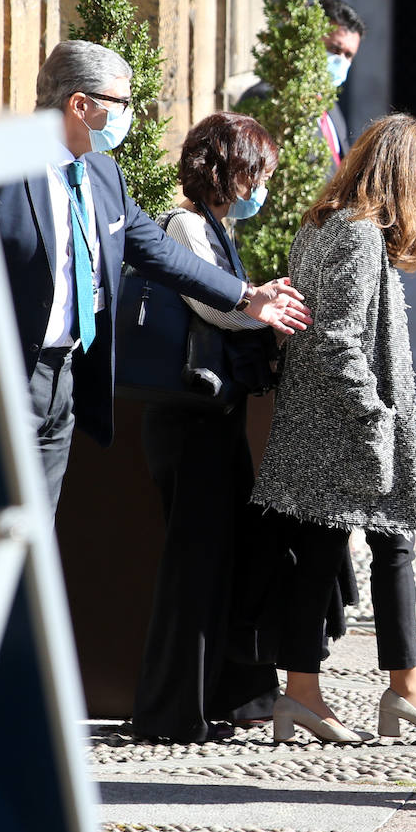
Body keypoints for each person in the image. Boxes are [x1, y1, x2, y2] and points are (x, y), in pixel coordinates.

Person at [0, 40, 310, 515]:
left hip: (65, 376)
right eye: (122, 103)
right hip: (5, 375)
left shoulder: (102, 173)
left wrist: (246, 296)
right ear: (80, 105)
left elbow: (162, 251)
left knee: (35, 529)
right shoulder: (3, 168)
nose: (131, 116)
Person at [251, 114, 416, 745]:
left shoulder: (326, 222)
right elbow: (338, 338)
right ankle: (388, 692)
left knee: (336, 555)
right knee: (369, 549)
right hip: (345, 428)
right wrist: (375, 416)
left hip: (324, 424)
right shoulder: (356, 234)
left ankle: (325, 694)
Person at [130, 112, 283, 744]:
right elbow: (210, 304)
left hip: (211, 419)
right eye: (257, 173)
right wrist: (269, 308)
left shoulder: (214, 226)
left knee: (222, 557)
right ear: (230, 171)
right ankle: (170, 712)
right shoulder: (186, 224)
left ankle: (225, 696)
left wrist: (262, 300)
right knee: (192, 565)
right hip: (188, 421)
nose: (262, 187)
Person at [239, 0, 364, 177]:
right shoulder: (269, 98)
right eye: (334, 49)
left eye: (348, 55)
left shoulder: (330, 106)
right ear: (308, 41)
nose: (341, 61)